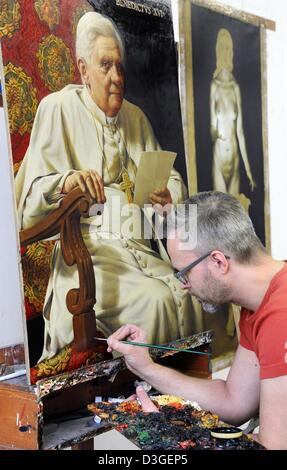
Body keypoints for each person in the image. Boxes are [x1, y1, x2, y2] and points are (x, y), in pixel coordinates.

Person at [15, 12, 195, 362]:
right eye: (105, 66)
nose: (116, 77)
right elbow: (27, 205)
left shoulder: (136, 117)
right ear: (83, 71)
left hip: (140, 249)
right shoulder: (58, 109)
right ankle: (144, 399)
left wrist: (168, 193)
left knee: (188, 296)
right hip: (91, 253)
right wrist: (66, 181)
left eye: (120, 66)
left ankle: (177, 400)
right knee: (155, 302)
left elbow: (169, 175)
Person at [107, 191, 287, 450]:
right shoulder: (259, 303)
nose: (183, 286)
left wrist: (171, 435)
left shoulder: (281, 315)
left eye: (184, 272)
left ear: (217, 261)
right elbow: (233, 401)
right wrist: (146, 367)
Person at [210, 28, 256, 194]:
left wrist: (249, 171)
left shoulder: (235, 88)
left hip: (235, 158)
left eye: (227, 47)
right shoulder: (214, 86)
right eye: (221, 47)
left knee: (235, 216)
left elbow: (240, 132)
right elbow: (211, 127)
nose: (225, 51)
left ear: (232, 51)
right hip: (219, 157)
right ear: (217, 49)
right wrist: (216, 132)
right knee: (221, 214)